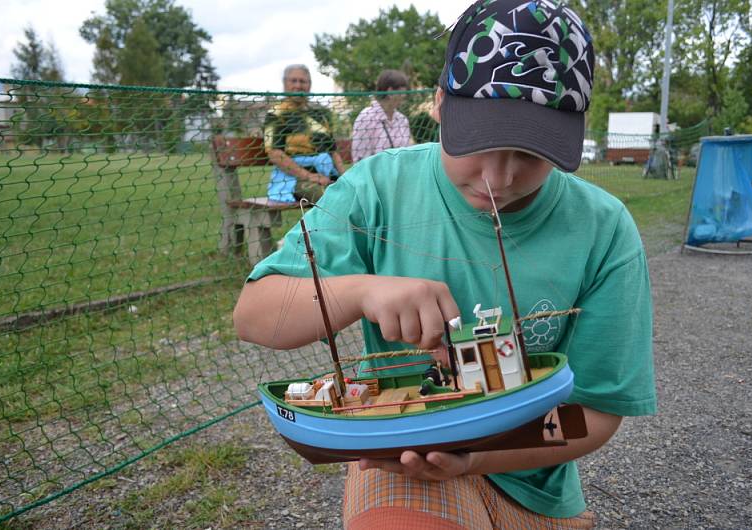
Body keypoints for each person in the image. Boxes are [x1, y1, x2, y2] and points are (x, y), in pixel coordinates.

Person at [234, 1, 656, 528]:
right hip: (401, 460)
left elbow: (595, 412)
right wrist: (361, 292)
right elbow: (253, 316)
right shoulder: (376, 189)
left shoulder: (604, 229)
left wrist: (479, 456)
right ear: (439, 103)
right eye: (478, 144)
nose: (498, 179)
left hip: (533, 479)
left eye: (530, 154)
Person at [264, 64, 346, 203]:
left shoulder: (320, 115)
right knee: (333, 200)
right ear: (285, 84)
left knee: (358, 194)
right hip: (295, 179)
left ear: (309, 85)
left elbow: (332, 152)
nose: (298, 85)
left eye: (302, 81)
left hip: (327, 175)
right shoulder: (276, 114)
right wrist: (309, 176)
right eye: (293, 81)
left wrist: (345, 177)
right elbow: (275, 154)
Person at [351, 69, 413, 163]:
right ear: (390, 92)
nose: (404, 96)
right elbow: (360, 159)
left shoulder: (402, 120)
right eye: (401, 93)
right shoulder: (366, 118)